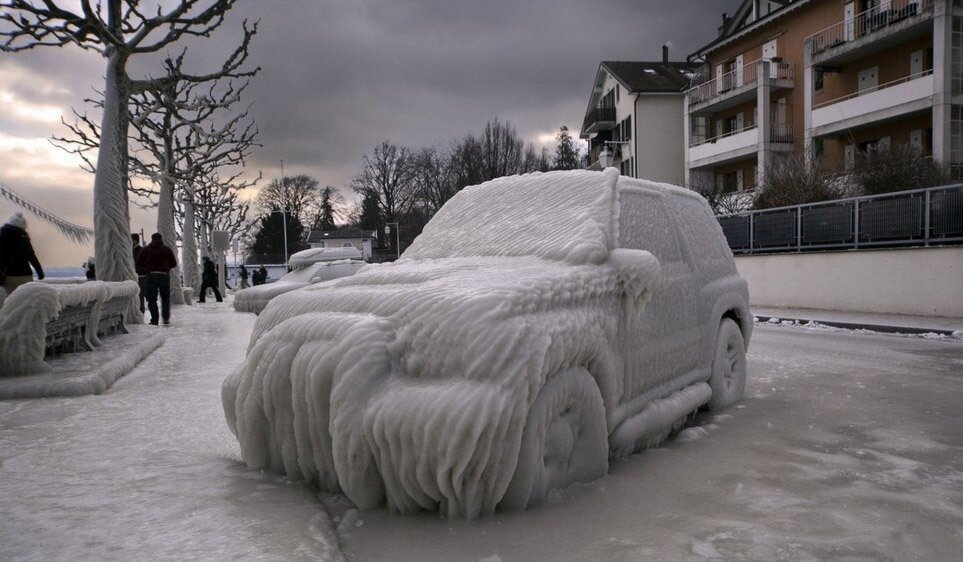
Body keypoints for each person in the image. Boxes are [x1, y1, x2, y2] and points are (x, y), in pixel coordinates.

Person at [135, 232, 177, 325]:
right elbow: (174, 263)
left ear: (152, 239)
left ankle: (154, 320)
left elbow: (138, 262)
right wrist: (166, 267)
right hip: (164, 275)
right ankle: (165, 318)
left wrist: (147, 268)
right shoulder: (167, 250)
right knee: (165, 298)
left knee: (151, 298)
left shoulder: (146, 249)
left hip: (151, 276)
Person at [0, 211, 44, 294]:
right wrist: (39, 271)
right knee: (26, 299)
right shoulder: (23, 238)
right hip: (24, 274)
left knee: (11, 300)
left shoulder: (1, 236)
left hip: (7, 276)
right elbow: (31, 256)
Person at [132, 233, 146, 313]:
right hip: (135, 275)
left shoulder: (140, 250)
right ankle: (138, 311)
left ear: (135, 240)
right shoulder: (132, 250)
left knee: (140, 295)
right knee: (137, 295)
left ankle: (141, 312)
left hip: (140, 275)